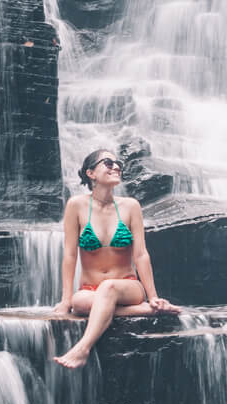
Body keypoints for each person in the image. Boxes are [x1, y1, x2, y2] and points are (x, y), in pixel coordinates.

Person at [51, 149, 178, 369]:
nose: (116, 166)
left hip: (128, 287)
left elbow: (140, 254)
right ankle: (142, 311)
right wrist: (65, 299)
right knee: (77, 302)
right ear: (90, 173)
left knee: (108, 288)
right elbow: (70, 254)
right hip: (90, 290)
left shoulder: (130, 206)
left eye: (118, 163)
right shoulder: (76, 205)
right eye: (108, 163)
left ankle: (83, 348)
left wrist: (153, 296)